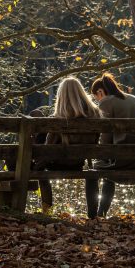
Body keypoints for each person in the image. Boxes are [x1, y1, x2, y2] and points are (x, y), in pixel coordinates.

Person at [89, 73, 135, 217]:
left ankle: (99, 214)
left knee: (97, 168)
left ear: (100, 92)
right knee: (108, 162)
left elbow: (105, 136)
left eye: (95, 98)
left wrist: (100, 155)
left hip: (126, 160)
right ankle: (100, 213)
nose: (97, 101)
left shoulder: (107, 102)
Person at [36, 77, 102, 218]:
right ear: (81, 93)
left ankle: (47, 212)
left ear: (61, 95)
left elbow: (49, 148)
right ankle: (93, 216)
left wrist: (38, 163)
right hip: (78, 163)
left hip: (57, 164)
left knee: (40, 168)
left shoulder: (59, 117)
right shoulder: (95, 114)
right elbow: (96, 140)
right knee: (92, 175)